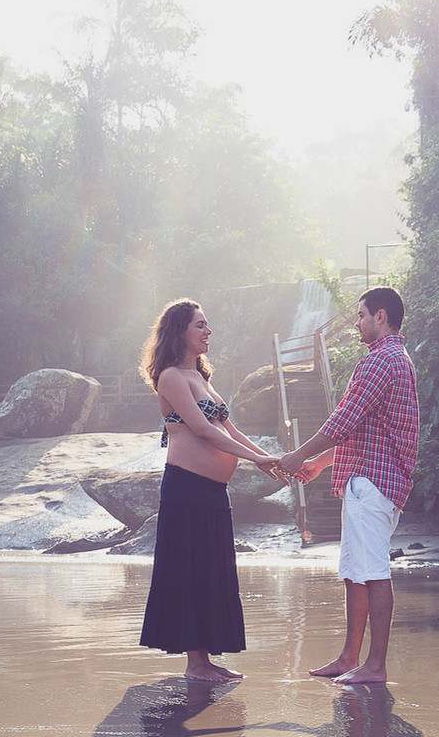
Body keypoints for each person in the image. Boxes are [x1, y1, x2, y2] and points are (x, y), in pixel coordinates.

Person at [272, 286, 419, 685]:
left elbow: (342, 421)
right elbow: (364, 431)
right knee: (355, 572)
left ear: (380, 317)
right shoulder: (392, 359)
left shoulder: (382, 361)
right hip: (367, 478)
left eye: (361, 315)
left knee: (373, 572)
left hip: (374, 482)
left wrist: (297, 456)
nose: (356, 323)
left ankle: (375, 665)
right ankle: (350, 657)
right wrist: (319, 463)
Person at [138, 297, 278, 683]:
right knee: (190, 572)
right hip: (185, 488)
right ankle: (195, 664)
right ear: (179, 331)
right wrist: (258, 460)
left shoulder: (201, 377)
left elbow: (230, 430)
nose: (208, 331)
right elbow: (201, 429)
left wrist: (268, 459)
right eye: (200, 325)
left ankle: (207, 660)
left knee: (212, 571)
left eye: (206, 324)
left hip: (214, 493)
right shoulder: (171, 376)